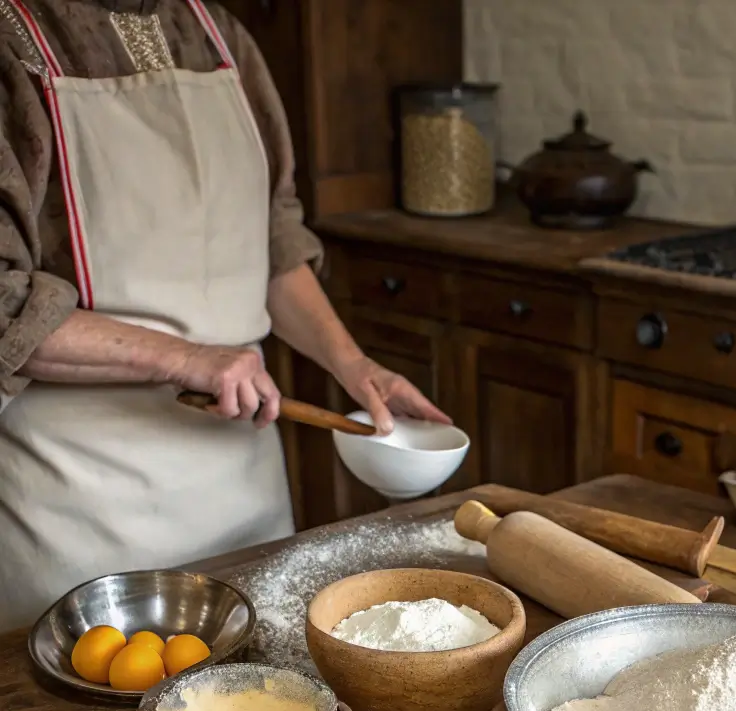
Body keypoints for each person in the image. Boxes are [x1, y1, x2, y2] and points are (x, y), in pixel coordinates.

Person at [0, 0, 450, 632]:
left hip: (245, 495)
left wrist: (355, 366)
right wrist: (189, 358)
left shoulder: (218, 33)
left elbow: (271, 242)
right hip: (80, 504)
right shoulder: (12, 37)